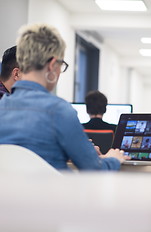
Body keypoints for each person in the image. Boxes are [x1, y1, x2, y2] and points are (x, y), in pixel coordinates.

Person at [0, 23, 128, 171]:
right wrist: (114, 159)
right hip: (49, 193)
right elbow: (94, 170)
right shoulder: (59, 111)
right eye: (61, 65)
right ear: (52, 65)